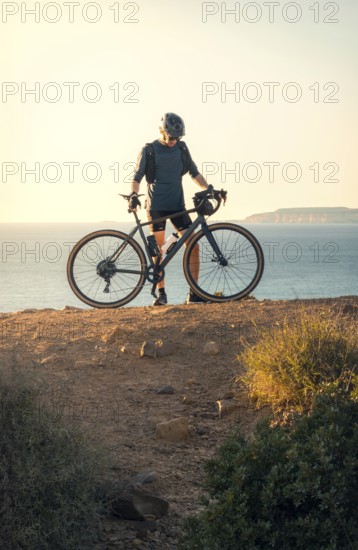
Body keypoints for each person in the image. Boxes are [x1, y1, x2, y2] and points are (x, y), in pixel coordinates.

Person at [128, 112, 210, 306]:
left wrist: (208, 189)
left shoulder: (181, 148)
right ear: (162, 132)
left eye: (178, 137)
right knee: (159, 252)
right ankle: (162, 294)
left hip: (177, 206)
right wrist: (133, 195)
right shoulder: (149, 150)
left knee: (194, 245)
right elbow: (137, 177)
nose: (174, 140)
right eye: (171, 136)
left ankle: (195, 294)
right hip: (156, 206)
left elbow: (194, 173)